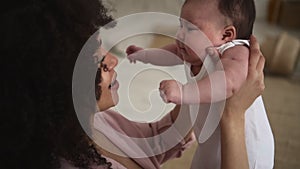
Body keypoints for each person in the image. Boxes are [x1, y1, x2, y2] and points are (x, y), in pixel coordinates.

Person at [2, 0, 268, 169]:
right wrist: (232, 117)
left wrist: (188, 93)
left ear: (227, 34)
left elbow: (153, 139)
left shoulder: (92, 123)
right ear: (56, 84)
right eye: (100, 64)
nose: (114, 63)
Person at [125, 0, 274, 168]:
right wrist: (145, 56)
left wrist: (183, 92)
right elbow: (172, 52)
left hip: (246, 148)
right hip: (210, 141)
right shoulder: (194, 51)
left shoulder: (236, 51)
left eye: (191, 29)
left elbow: (228, 82)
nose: (179, 34)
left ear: (226, 36)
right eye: (181, 25)